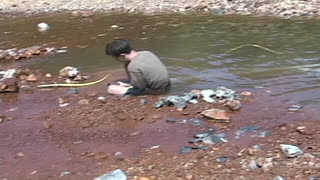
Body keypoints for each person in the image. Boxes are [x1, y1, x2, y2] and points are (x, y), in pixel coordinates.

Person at [105, 38, 170, 95]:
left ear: (122, 56)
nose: (116, 60)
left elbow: (140, 88)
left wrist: (128, 86)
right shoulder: (146, 53)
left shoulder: (133, 66)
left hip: (157, 91)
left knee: (111, 88)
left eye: (116, 58)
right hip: (167, 85)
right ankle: (132, 82)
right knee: (127, 64)